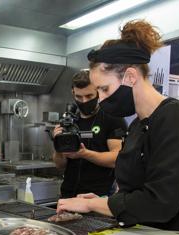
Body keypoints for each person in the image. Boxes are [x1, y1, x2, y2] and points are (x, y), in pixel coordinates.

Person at [56, 20, 179, 231]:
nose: (100, 99)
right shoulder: (137, 125)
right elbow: (133, 188)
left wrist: (92, 204)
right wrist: (103, 201)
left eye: (105, 89)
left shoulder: (175, 117)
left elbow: (160, 203)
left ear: (131, 76)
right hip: (135, 233)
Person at [53, 70, 127, 198]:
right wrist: (58, 145)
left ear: (98, 92)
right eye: (79, 97)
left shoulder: (113, 118)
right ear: (73, 93)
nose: (84, 101)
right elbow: (60, 165)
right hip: (68, 195)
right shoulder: (69, 120)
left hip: (99, 196)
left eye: (89, 96)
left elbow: (117, 159)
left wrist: (84, 154)